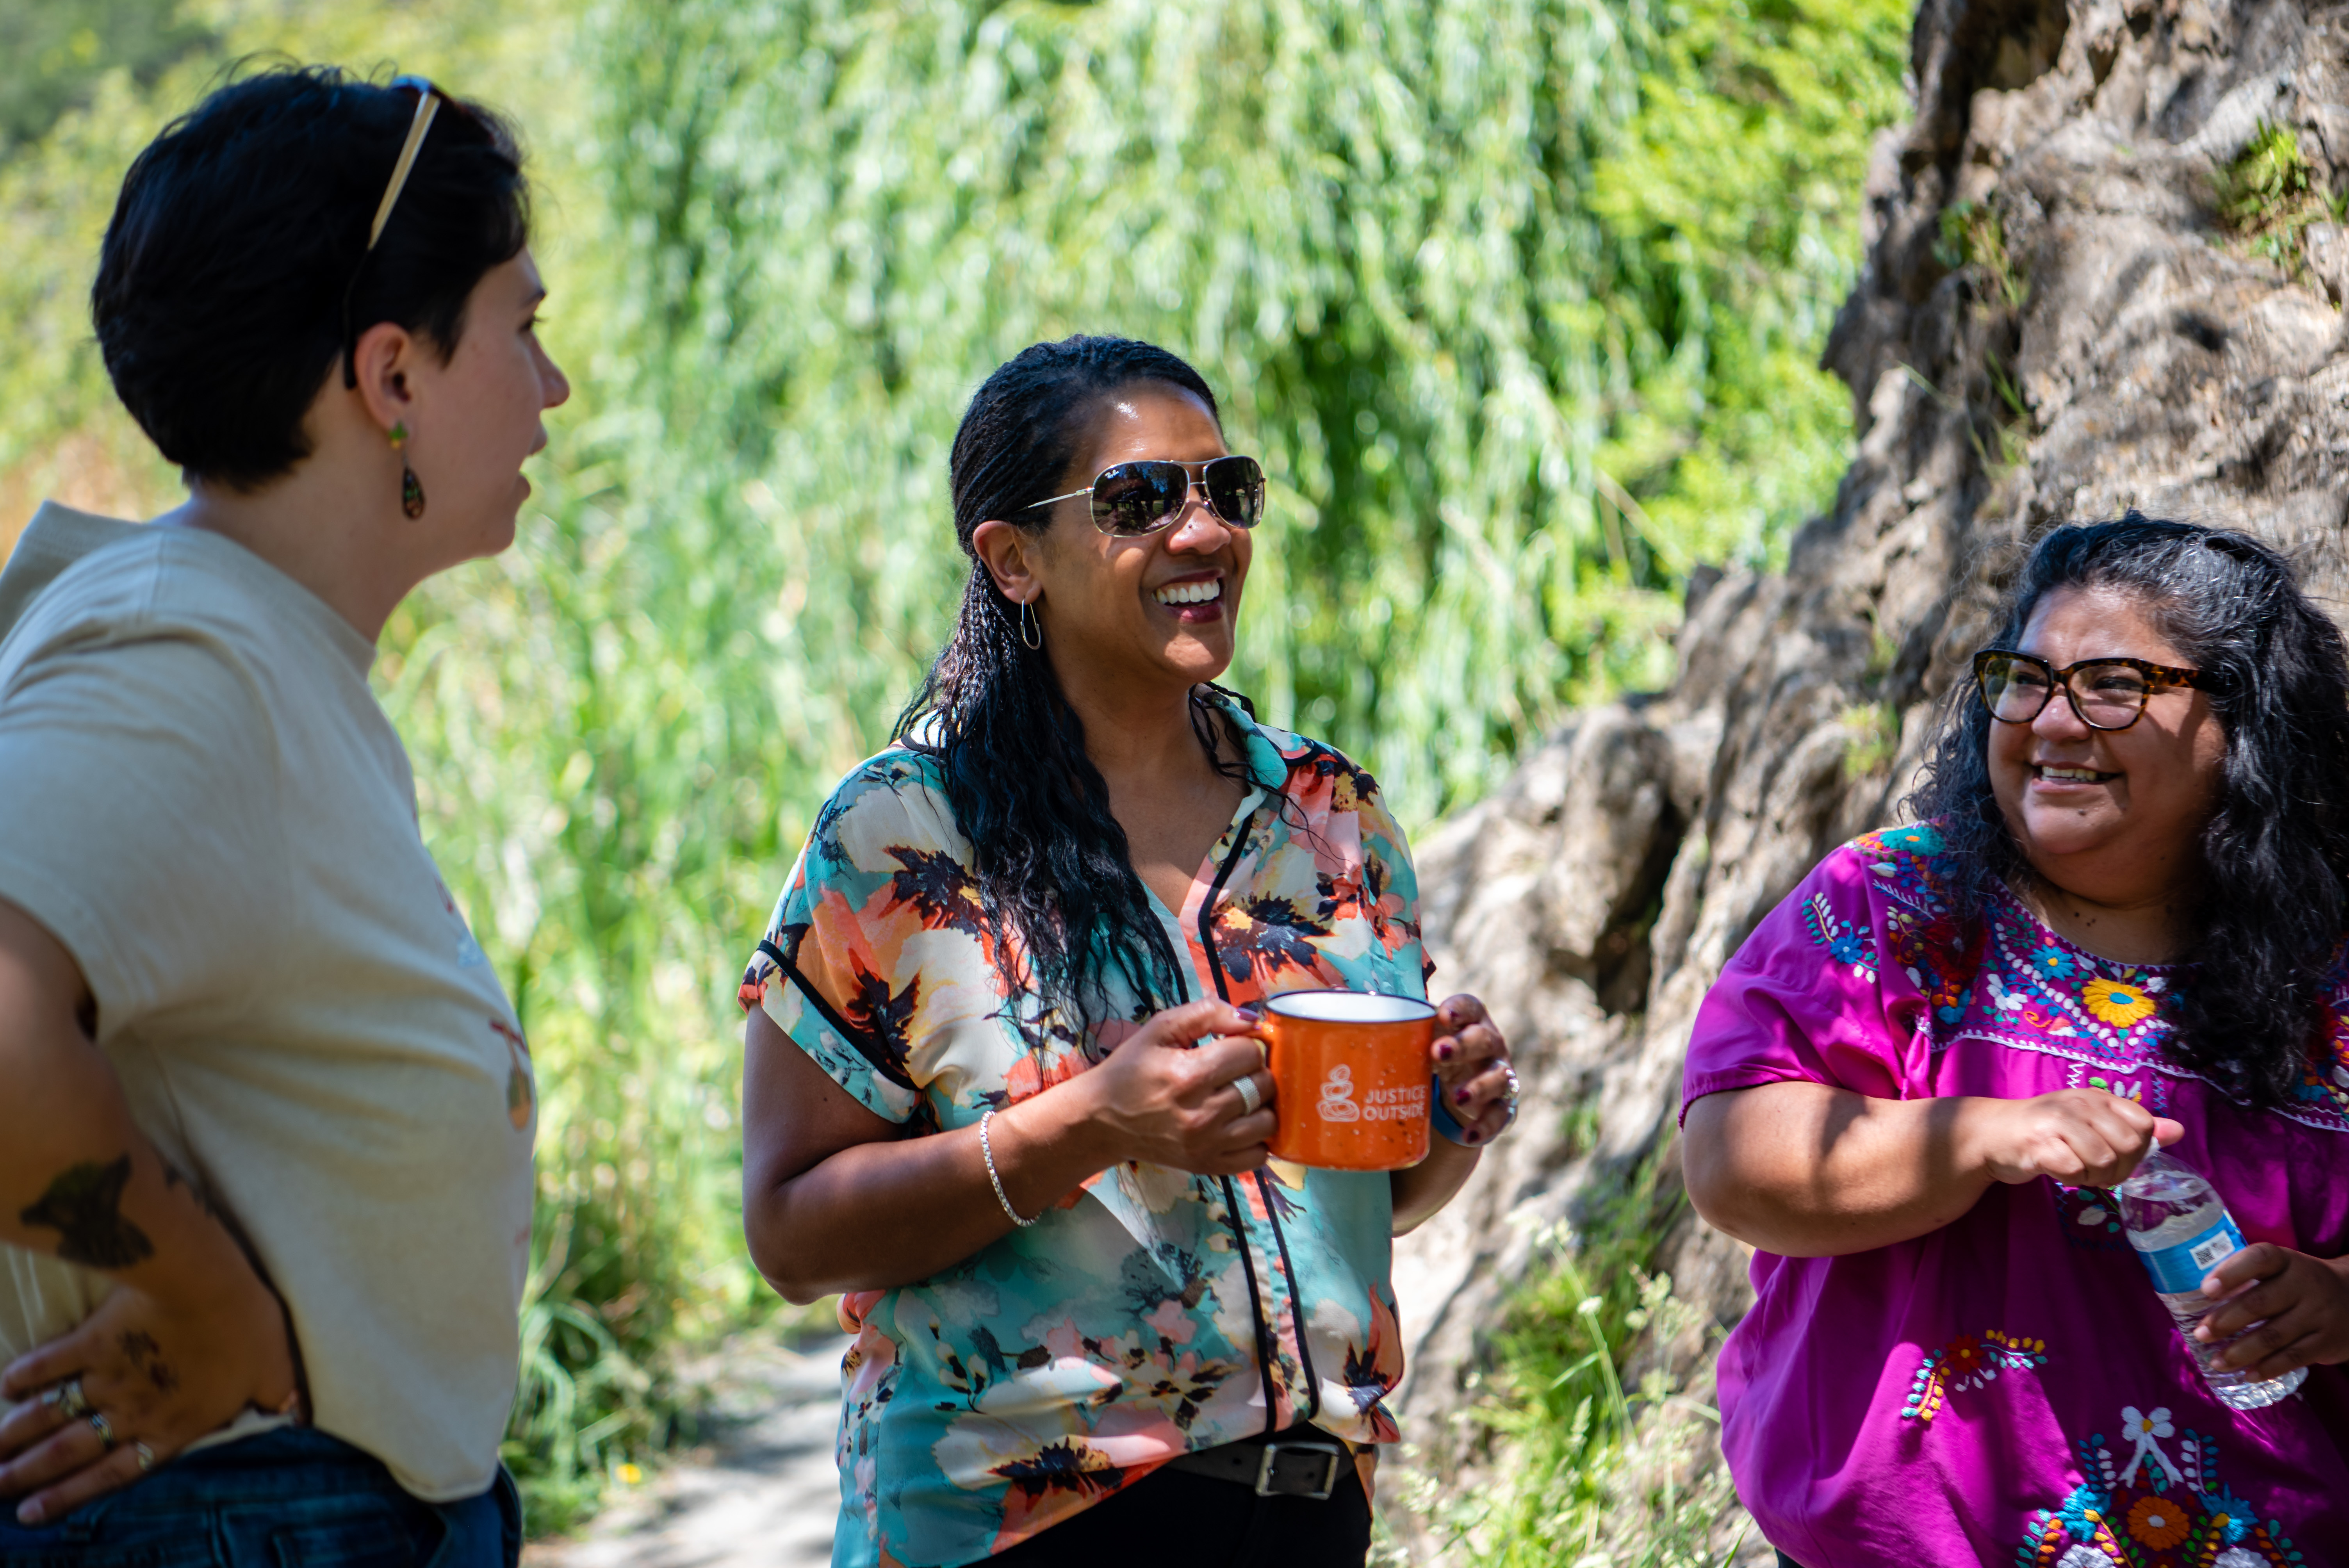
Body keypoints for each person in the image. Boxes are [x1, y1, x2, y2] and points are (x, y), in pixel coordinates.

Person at [738, 335, 1520, 1567]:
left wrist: (1449, 1117)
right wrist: (1097, 1122)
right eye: (1142, 500)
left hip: (1309, 1508)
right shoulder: (902, 837)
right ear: (1013, 560)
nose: (1204, 533)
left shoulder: (1331, 820)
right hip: (1021, 1521)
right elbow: (790, 1232)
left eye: (1229, 490)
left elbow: (1376, 1198)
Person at [0, 66, 569, 1563]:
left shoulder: (249, 648)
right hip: (241, 1514)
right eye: (524, 327)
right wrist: (202, 1301)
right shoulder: (184, 657)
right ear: (391, 377)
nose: (552, 388)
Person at [1679, 516, 2349, 1567]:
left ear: (2244, 723)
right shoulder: (1890, 910)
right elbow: (1734, 1165)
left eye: (2115, 686)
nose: (2053, 722)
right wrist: (1983, 1136)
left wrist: (2341, 1301)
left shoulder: (2333, 975)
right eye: (2025, 679)